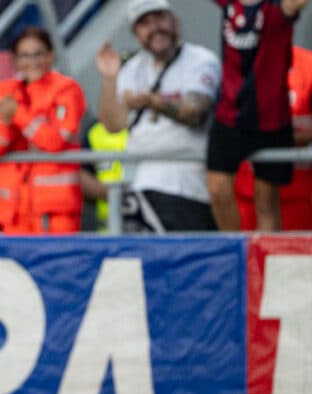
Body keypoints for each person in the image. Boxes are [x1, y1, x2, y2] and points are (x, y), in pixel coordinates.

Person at [95, 0, 220, 234]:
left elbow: (195, 113)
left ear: (175, 21)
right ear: (135, 33)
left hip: (186, 188)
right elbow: (113, 125)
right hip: (137, 187)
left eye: (160, 18)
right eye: (145, 23)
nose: (155, 28)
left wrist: (154, 102)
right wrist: (109, 79)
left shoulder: (201, 60)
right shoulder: (132, 67)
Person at [206, 0, 307, 232]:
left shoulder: (277, 8)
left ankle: (264, 261)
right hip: (230, 117)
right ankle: (235, 253)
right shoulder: (229, 4)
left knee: (266, 202)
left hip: (271, 121)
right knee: (218, 190)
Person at [0, 27, 85, 234]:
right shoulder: (4, 90)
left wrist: (16, 114)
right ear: (15, 61)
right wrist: (7, 122)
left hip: (54, 212)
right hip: (13, 210)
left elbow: (54, 141)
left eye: (38, 54)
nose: (32, 61)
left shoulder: (66, 89)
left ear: (51, 55)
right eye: (25, 55)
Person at [235, 44, 312, 231]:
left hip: (296, 194)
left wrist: (267, 136)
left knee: (291, 257)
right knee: (246, 256)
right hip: (244, 192)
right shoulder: (236, 61)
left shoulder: (307, 64)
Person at [79, 118, 128, 232]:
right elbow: (82, 173)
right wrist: (112, 194)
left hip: (146, 228)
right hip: (107, 230)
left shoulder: (148, 129)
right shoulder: (95, 131)